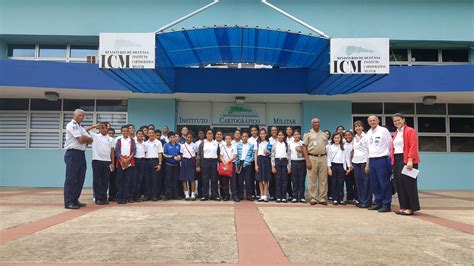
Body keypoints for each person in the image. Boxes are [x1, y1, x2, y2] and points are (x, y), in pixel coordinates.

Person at [391, 113, 421, 215]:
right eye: (395, 121)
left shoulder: (410, 131)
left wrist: (410, 160)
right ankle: (403, 207)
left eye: (398, 120)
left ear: (403, 120)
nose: (397, 122)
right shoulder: (396, 133)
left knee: (409, 184)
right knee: (399, 184)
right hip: (397, 159)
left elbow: (413, 146)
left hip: (407, 159)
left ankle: (411, 208)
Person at [63, 109, 93, 209]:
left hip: (81, 154)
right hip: (72, 154)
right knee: (71, 179)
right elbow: (80, 140)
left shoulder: (80, 127)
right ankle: (68, 202)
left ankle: (75, 199)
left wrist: (86, 139)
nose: (81, 117)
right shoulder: (72, 125)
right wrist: (85, 139)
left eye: (83, 116)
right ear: (74, 115)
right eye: (79, 115)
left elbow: (91, 140)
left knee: (80, 178)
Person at [365, 115, 393, 213]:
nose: (372, 122)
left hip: (382, 159)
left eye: (374, 120)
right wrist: (367, 164)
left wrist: (389, 158)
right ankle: (378, 202)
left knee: (384, 183)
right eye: (370, 121)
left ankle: (386, 204)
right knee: (374, 183)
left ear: (378, 121)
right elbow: (368, 149)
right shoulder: (368, 133)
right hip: (372, 160)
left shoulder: (383, 131)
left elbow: (390, 144)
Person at [87, 122, 115, 205]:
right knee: (97, 180)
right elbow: (84, 131)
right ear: (99, 129)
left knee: (105, 181)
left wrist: (112, 163)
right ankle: (98, 198)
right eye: (101, 128)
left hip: (107, 162)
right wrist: (95, 126)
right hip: (97, 161)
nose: (104, 129)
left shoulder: (111, 139)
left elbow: (112, 152)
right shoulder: (95, 136)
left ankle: (103, 198)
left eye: (105, 128)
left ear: (107, 128)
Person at [303, 118, 329, 205]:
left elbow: (327, 147)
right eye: (315, 122)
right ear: (312, 124)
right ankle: (313, 198)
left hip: (323, 157)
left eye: (318, 122)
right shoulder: (308, 134)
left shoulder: (324, 134)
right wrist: (307, 161)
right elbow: (304, 147)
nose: (317, 123)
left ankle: (322, 198)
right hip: (312, 157)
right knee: (312, 179)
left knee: (323, 179)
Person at [327, 132, 351, 205]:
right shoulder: (330, 147)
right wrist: (329, 168)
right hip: (333, 166)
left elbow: (347, 158)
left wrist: (349, 167)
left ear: (340, 139)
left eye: (338, 138)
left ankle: (340, 199)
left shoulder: (344, 147)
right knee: (334, 183)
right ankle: (334, 199)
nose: (337, 139)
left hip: (341, 166)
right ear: (333, 139)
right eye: (335, 138)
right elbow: (328, 158)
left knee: (341, 183)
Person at [196, 129, 220, 201]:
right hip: (205, 161)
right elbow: (199, 154)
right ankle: (205, 195)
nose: (210, 135)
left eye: (211, 134)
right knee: (205, 179)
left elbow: (218, 153)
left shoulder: (216, 143)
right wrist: (198, 165)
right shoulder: (203, 143)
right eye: (208, 133)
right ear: (206, 135)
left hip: (214, 162)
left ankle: (214, 195)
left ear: (213, 135)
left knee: (214, 179)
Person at [352, 121, 372, 208]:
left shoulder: (367, 137)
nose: (357, 128)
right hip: (356, 162)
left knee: (366, 182)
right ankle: (361, 200)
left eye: (359, 126)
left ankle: (367, 201)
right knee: (358, 182)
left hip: (364, 161)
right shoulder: (354, 138)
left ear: (363, 127)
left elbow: (369, 151)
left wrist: (368, 164)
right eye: (356, 126)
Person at [115, 125, 136, 204]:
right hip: (121, 162)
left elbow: (134, 151)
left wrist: (128, 159)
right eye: (124, 131)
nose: (126, 132)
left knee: (127, 180)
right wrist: (122, 159)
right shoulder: (119, 140)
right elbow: (117, 151)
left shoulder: (132, 140)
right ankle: (119, 197)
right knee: (120, 180)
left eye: (127, 131)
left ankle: (125, 197)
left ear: (129, 132)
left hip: (129, 162)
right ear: (121, 132)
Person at [271, 131, 291, 203]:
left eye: (282, 135)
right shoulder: (274, 144)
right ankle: (278, 197)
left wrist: (289, 167)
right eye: (279, 135)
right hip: (277, 162)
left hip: (284, 162)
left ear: (284, 136)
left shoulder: (286, 144)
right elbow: (272, 155)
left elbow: (289, 155)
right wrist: (273, 166)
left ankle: (284, 197)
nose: (280, 136)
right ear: (277, 136)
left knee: (284, 180)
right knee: (278, 180)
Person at [235, 132, 255, 201]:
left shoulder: (251, 145)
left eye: (246, 136)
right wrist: (237, 164)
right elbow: (236, 156)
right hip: (240, 163)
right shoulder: (238, 146)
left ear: (248, 137)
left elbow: (252, 156)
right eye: (243, 136)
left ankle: (249, 195)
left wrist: (248, 161)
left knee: (248, 180)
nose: (244, 137)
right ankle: (240, 195)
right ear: (241, 137)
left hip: (248, 164)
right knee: (240, 180)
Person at [144, 129, 163, 201]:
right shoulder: (145, 143)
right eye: (149, 133)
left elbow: (160, 153)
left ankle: (154, 196)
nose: (151, 134)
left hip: (155, 161)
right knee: (147, 179)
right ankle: (147, 196)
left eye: (152, 133)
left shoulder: (158, 142)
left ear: (154, 134)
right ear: (147, 134)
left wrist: (160, 164)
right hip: (147, 161)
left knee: (155, 180)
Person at [163, 132, 181, 200]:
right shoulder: (166, 145)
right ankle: (168, 195)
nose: (172, 139)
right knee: (168, 180)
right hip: (168, 165)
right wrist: (173, 157)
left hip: (176, 165)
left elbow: (181, 154)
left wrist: (179, 157)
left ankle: (175, 195)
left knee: (175, 180)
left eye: (173, 137)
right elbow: (164, 155)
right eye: (171, 137)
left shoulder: (178, 145)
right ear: (168, 138)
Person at [255, 128, 272, 202]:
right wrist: (256, 164)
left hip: (266, 160)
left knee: (266, 179)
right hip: (259, 160)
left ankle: (265, 195)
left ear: (266, 134)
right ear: (259, 134)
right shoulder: (257, 143)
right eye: (261, 133)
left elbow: (272, 153)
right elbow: (255, 154)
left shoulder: (268, 142)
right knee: (260, 179)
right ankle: (261, 195)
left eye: (263, 133)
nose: (262, 135)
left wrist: (268, 152)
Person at [289, 130, 306, 203]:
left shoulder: (303, 143)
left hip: (302, 162)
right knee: (294, 180)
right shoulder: (290, 143)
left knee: (302, 180)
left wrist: (301, 150)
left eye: (298, 134)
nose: (296, 136)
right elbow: (288, 155)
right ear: (293, 136)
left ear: (300, 135)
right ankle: (294, 197)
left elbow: (307, 153)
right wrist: (289, 165)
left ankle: (302, 196)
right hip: (293, 162)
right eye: (295, 134)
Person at [179, 133, 197, 201]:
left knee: (192, 179)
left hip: (192, 162)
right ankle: (186, 194)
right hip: (184, 161)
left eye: (191, 137)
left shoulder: (194, 145)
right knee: (184, 179)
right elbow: (181, 154)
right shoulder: (182, 145)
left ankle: (192, 194)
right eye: (188, 137)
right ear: (186, 138)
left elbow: (195, 154)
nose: (189, 139)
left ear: (192, 138)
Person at [220, 134, 237, 201]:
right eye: (226, 139)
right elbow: (221, 156)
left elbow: (235, 156)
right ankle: (227, 195)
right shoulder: (223, 147)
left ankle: (234, 195)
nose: (228, 140)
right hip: (224, 165)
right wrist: (224, 162)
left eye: (229, 139)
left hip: (231, 164)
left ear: (231, 139)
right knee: (225, 181)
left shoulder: (234, 146)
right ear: (225, 140)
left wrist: (228, 161)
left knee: (233, 181)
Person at [132, 130, 146, 202]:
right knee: (134, 179)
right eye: (139, 134)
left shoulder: (145, 143)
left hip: (142, 161)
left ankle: (137, 196)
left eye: (141, 134)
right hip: (135, 160)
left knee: (140, 179)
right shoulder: (133, 142)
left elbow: (146, 152)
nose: (140, 135)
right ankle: (132, 196)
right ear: (136, 135)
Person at [343, 131, 357, 204]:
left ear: (352, 136)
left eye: (349, 135)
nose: (347, 136)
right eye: (345, 135)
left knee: (356, 183)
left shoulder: (355, 143)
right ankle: (349, 198)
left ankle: (356, 198)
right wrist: (348, 166)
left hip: (355, 165)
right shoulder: (343, 145)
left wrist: (352, 165)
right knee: (348, 183)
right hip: (346, 166)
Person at [248, 125, 260, 199]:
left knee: (258, 177)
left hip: (259, 161)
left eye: (255, 130)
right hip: (251, 161)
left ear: (257, 131)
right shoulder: (249, 140)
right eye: (252, 130)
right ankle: (252, 193)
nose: (253, 132)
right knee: (251, 178)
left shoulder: (260, 138)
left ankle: (258, 193)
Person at [107, 128, 118, 202]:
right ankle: (101, 196)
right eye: (109, 133)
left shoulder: (115, 141)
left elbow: (115, 151)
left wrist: (113, 163)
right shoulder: (104, 140)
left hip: (114, 161)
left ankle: (112, 195)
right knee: (104, 180)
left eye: (112, 133)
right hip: (105, 160)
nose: (111, 135)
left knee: (113, 180)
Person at [194, 130, 206, 198]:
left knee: (205, 179)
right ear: (198, 135)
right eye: (200, 133)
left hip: (206, 162)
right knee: (199, 179)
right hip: (199, 162)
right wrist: (197, 164)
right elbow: (196, 154)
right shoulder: (196, 143)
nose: (201, 134)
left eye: (202, 133)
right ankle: (199, 193)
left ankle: (205, 193)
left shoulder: (206, 142)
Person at [268, 126, 279, 201]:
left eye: (275, 130)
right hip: (270, 160)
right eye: (272, 130)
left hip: (278, 160)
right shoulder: (269, 140)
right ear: (271, 132)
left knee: (278, 178)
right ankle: (272, 195)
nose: (274, 131)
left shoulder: (280, 139)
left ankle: (278, 194)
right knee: (271, 178)